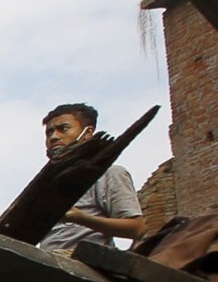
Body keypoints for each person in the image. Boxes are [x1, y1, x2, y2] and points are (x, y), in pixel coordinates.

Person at [39, 103, 146, 255]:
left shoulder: (108, 174)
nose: (54, 137)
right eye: (49, 132)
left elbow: (137, 229)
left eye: (63, 129)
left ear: (87, 132)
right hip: (48, 261)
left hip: (84, 263)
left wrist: (81, 218)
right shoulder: (50, 183)